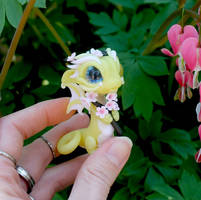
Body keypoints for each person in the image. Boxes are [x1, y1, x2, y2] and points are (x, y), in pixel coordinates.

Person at [0, 98, 132, 200]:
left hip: (102, 133)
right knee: (92, 145)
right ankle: (97, 152)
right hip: (95, 139)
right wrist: (102, 166)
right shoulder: (93, 102)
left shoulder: (104, 101)